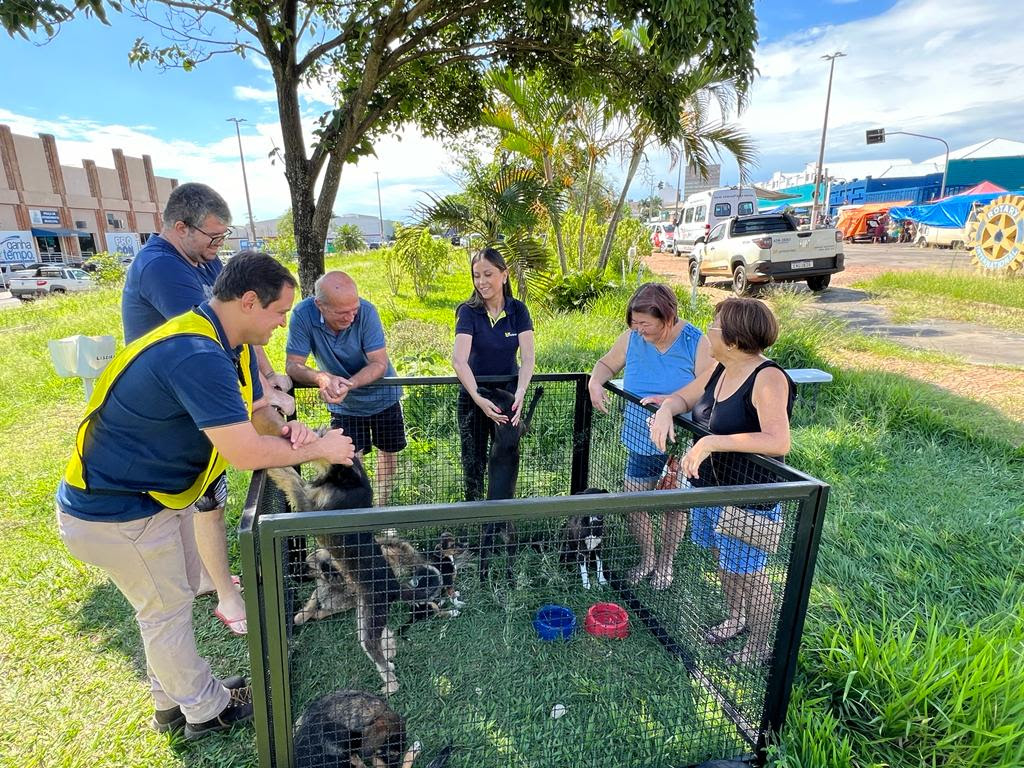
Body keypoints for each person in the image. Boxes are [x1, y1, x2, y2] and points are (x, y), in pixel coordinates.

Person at [57, 252, 356, 739]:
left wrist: (289, 432)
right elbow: (241, 451)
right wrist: (324, 446)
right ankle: (203, 711)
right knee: (165, 613)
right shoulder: (196, 354)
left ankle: (174, 699)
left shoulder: (224, 339)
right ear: (249, 300)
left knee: (166, 606)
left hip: (157, 497)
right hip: (115, 510)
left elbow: (257, 415)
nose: (284, 324)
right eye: (280, 313)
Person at [121, 182, 292, 635]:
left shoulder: (203, 259)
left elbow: (247, 328)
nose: (219, 247)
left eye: (224, 237)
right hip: (178, 401)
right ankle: (225, 595)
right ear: (181, 227)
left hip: (204, 390)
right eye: (213, 237)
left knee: (199, 494)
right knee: (207, 499)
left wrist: (269, 378)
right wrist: (258, 400)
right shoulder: (160, 267)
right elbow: (218, 332)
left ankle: (199, 576)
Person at [648, 297, 795, 664]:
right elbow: (685, 397)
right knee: (723, 559)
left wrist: (711, 442)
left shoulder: (768, 377)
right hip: (711, 489)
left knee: (749, 572)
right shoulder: (720, 368)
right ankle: (736, 616)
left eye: (714, 325)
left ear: (733, 337)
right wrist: (667, 409)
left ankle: (760, 644)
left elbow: (779, 440)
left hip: (749, 497)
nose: (707, 331)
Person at [587, 282, 713, 589]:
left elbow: (708, 387)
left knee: (674, 504)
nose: (639, 330)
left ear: (667, 317)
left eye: (646, 324)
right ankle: (648, 558)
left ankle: (666, 563)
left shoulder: (696, 341)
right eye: (635, 323)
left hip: (679, 440)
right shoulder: (632, 338)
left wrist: (671, 404)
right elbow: (607, 364)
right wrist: (595, 381)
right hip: (641, 436)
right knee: (634, 498)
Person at [286, 271, 405, 505]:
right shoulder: (303, 314)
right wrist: (321, 378)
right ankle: (360, 510)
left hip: (383, 397)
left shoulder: (367, 312)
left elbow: (379, 363)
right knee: (349, 460)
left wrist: (348, 384)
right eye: (342, 312)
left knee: (388, 454)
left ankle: (382, 507)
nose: (351, 316)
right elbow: (293, 365)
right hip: (344, 407)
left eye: (354, 309)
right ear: (320, 305)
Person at [452, 248, 535, 502]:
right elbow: (459, 360)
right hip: (475, 398)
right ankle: (474, 520)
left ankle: (500, 524)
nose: (482, 282)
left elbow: (528, 357)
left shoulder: (518, 310)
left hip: (507, 397)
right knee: (473, 464)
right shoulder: (468, 311)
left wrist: (519, 393)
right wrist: (478, 398)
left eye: (488, 274)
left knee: (505, 461)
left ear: (504, 275)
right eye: (476, 276)